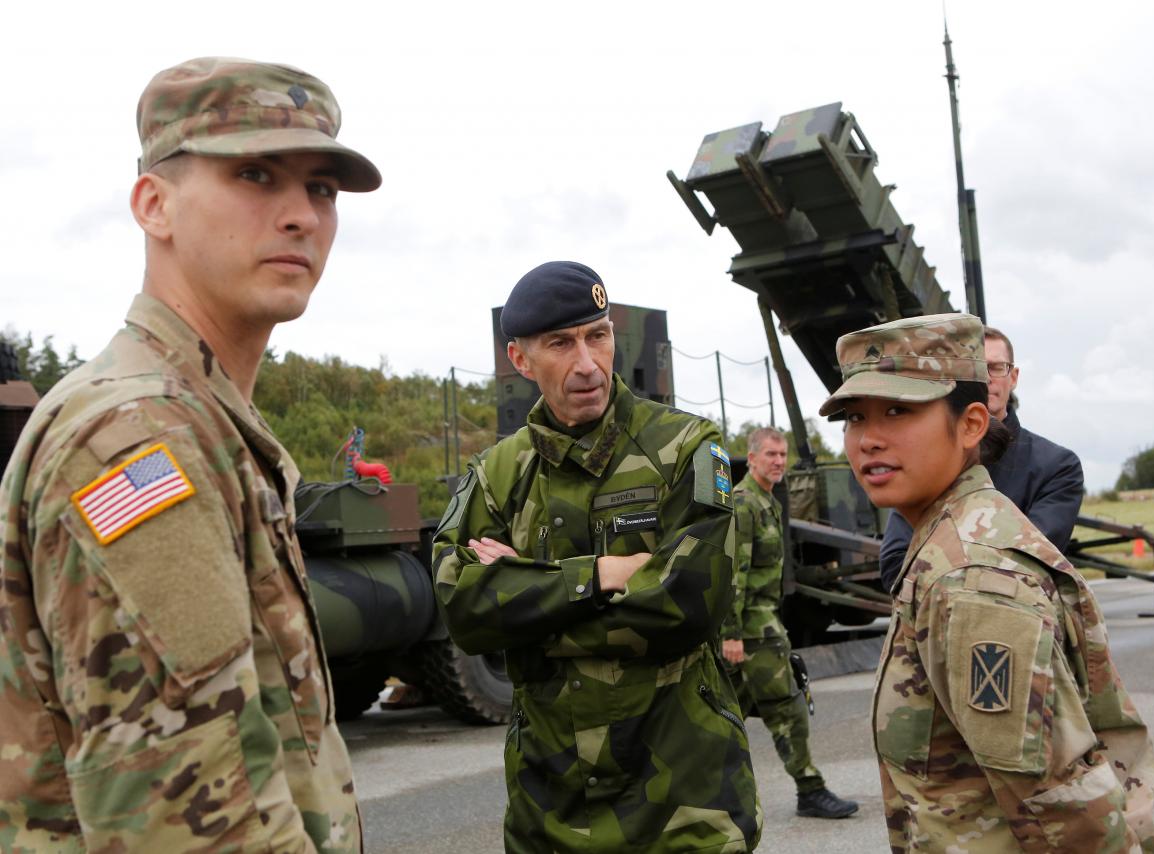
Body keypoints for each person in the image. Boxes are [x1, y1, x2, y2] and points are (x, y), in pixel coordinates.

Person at [0, 57, 380, 851]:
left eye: (320, 189)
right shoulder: (138, 438)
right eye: (254, 173)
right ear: (154, 205)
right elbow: (194, 819)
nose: (301, 216)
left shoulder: (199, 414)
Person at [432, 261, 762, 853]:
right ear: (521, 360)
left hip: (685, 803)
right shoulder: (498, 475)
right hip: (551, 807)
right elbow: (463, 610)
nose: (587, 364)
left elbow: (690, 603)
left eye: (597, 335)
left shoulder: (685, 447)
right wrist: (604, 575)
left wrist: (528, 610)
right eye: (560, 343)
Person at [820, 313, 1154, 852]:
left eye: (898, 410)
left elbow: (1062, 808)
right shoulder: (948, 537)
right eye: (853, 417)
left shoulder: (971, 580)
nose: (868, 439)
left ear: (971, 425)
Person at [877, 324, 1085, 591]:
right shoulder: (929, 462)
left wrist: (939, 565)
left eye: (996, 367)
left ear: (1014, 376)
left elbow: (1033, 559)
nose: (986, 379)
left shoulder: (1056, 466)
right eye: (975, 368)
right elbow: (895, 564)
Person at [719, 427, 858, 819]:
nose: (779, 461)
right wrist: (731, 635)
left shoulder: (768, 501)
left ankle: (706, 795)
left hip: (765, 625)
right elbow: (735, 573)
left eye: (783, 455)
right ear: (753, 457)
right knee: (787, 709)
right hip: (752, 630)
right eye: (771, 455)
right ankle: (810, 789)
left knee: (725, 714)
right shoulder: (744, 505)